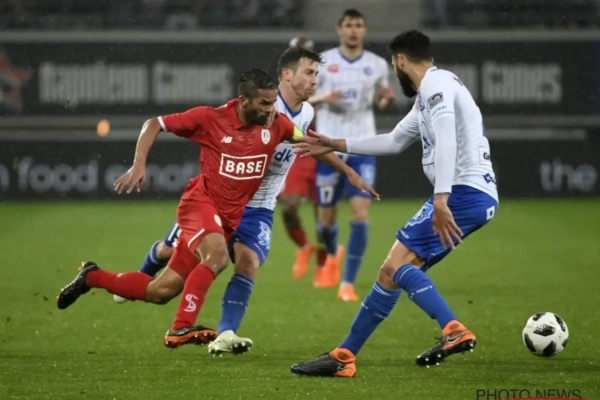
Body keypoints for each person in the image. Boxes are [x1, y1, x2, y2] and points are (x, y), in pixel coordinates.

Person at [289, 29, 499, 377]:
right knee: (392, 271)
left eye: (393, 64)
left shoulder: (435, 85)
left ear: (400, 60)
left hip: (462, 192)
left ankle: (453, 330)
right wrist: (334, 143)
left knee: (396, 266)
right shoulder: (432, 91)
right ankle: (344, 356)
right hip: (472, 194)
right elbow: (394, 141)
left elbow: (446, 138)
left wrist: (441, 198)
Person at [56, 68, 305, 348]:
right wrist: (139, 165)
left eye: (273, 102)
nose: (271, 109)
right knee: (218, 257)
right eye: (265, 103)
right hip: (200, 204)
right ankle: (179, 328)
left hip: (226, 219)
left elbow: (309, 141)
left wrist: (341, 161)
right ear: (244, 100)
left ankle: (92, 276)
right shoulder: (210, 118)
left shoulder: (278, 124)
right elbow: (154, 123)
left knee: (161, 291)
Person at [308, 9, 396, 301]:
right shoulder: (322, 62)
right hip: (327, 146)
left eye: (358, 25)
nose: (354, 30)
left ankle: (347, 283)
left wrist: (386, 100)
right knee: (325, 223)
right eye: (349, 25)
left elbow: (381, 103)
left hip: (362, 145)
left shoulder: (377, 65)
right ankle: (333, 250)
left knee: (360, 212)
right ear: (339, 29)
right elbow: (304, 100)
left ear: (364, 30)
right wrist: (325, 97)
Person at [278, 36, 329, 285]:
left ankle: (323, 264)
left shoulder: (322, 76)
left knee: (324, 217)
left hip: (322, 147)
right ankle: (304, 246)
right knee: (288, 207)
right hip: (296, 151)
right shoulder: (287, 78)